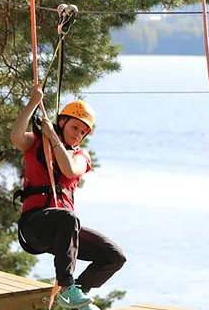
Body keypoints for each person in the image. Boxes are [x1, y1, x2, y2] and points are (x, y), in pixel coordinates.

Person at [11, 84, 127, 309]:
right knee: (68, 218)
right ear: (62, 122)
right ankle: (66, 286)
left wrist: (54, 137)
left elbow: (70, 170)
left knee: (115, 256)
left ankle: (77, 295)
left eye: (82, 132)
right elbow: (16, 136)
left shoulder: (80, 155)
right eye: (75, 127)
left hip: (64, 230)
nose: (77, 135)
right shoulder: (37, 142)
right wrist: (33, 103)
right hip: (36, 224)